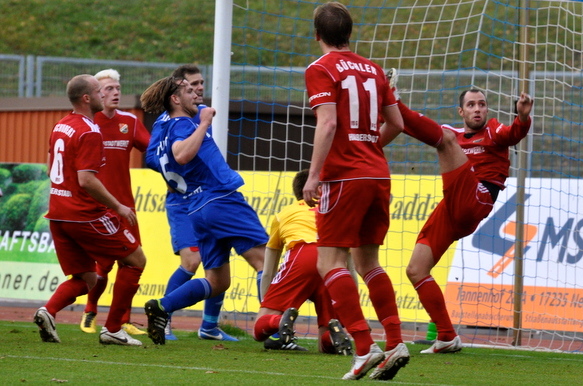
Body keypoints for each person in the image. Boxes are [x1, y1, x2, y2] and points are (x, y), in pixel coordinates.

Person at [382, 70, 532, 354]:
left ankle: (393, 99)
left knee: (444, 139)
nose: (478, 109)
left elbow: (514, 133)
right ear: (461, 110)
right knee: (416, 270)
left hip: (478, 199)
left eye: (482, 104)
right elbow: (417, 128)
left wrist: (522, 118)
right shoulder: (454, 131)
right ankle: (447, 336)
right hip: (452, 206)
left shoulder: (494, 131)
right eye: (472, 105)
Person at [302, 2, 409, 381]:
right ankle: (396, 341)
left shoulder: (319, 69)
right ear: (350, 33)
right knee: (368, 263)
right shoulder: (373, 69)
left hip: (343, 177)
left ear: (317, 35)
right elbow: (395, 123)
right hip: (377, 174)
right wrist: (367, 147)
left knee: (328, 262)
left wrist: (313, 176)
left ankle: (364, 347)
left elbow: (327, 123)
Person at [140, 75, 268, 345]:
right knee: (264, 263)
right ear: (175, 99)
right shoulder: (183, 124)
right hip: (220, 198)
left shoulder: (162, 128)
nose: (196, 94)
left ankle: (163, 306)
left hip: (197, 207)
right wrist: (205, 123)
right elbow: (182, 154)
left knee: (217, 281)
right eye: (188, 91)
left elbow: (154, 159)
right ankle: (273, 332)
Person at [36, 74, 146, 346]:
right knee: (136, 261)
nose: (104, 95)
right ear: (87, 98)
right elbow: (86, 179)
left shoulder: (61, 125)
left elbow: (52, 169)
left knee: (86, 277)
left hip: (57, 213)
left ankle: (47, 311)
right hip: (84, 214)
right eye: (99, 91)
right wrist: (118, 206)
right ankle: (112, 329)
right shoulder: (90, 130)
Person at [78, 69, 149, 337]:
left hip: (125, 208)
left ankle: (123, 320)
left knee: (132, 263)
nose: (115, 92)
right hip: (97, 208)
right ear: (96, 94)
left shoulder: (129, 122)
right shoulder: (88, 123)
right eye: (108, 89)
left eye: (118, 87)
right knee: (101, 267)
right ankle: (90, 310)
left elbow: (151, 151)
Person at [253, 169, 353, 355]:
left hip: (303, 255)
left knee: (259, 328)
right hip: (333, 263)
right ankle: (331, 337)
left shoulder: (284, 214)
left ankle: (278, 321)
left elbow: (268, 271)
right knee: (327, 332)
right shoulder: (335, 213)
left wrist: (269, 305)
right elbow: (350, 269)